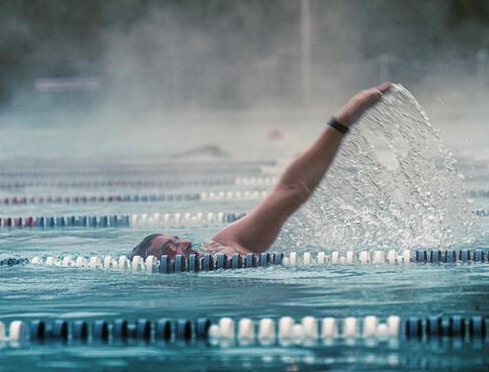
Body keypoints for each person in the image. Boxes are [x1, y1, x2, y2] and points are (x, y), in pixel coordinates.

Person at [129, 83, 393, 259]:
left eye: (175, 239)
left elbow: (289, 191)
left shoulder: (224, 245)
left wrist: (342, 122)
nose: (184, 242)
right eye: (170, 248)